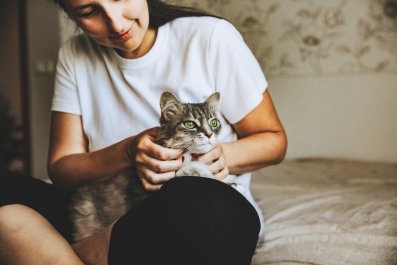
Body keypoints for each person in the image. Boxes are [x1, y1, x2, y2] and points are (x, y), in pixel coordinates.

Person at [0, 0, 287, 264]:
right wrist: (127, 152)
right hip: (101, 210)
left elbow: (274, 140)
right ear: (71, 15)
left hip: (189, 209)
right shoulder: (74, 54)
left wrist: (213, 157)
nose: (116, 23)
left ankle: (76, 250)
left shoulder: (212, 37)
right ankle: (100, 248)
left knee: (214, 210)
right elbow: (62, 172)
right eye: (89, 11)